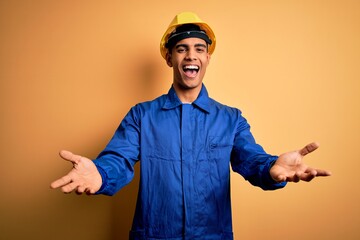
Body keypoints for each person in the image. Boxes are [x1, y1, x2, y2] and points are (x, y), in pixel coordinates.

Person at [50, 12, 331, 240]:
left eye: (199, 49)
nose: (191, 56)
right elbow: (118, 159)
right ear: (169, 58)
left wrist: (271, 169)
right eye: (181, 49)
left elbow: (251, 160)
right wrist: (100, 173)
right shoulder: (141, 115)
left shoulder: (231, 119)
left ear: (208, 58)